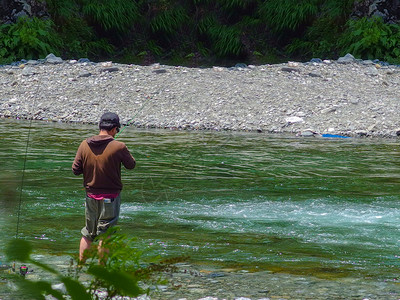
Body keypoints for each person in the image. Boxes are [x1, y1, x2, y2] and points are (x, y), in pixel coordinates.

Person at [72, 112, 136, 262]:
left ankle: (80, 266)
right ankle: (102, 271)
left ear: (100, 126)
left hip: (90, 197)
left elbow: (75, 170)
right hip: (111, 198)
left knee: (88, 233)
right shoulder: (119, 146)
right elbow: (131, 165)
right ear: (114, 129)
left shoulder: (84, 144)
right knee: (105, 235)